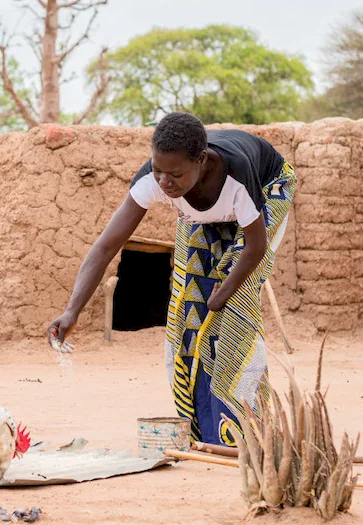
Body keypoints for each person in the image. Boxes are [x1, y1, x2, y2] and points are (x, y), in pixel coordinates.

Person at [46, 112, 297, 447]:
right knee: (187, 304)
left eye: (174, 174)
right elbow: (106, 246)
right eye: (158, 169)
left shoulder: (237, 175)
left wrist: (224, 293)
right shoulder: (156, 180)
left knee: (235, 303)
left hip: (267, 189)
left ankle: (245, 432)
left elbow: (255, 247)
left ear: (202, 160)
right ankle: (201, 431)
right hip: (203, 211)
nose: (164, 182)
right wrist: (72, 310)